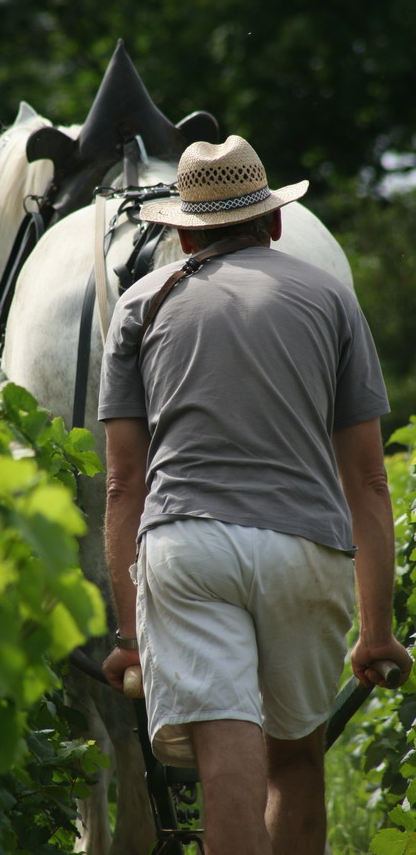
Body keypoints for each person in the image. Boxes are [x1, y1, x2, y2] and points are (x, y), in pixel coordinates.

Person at [99, 136, 412, 855]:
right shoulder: (331, 298)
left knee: (224, 771)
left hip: (187, 549)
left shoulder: (142, 305)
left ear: (180, 231)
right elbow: (365, 478)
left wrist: (127, 637)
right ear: (273, 224)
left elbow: (123, 483)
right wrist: (376, 629)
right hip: (305, 549)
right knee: (295, 760)